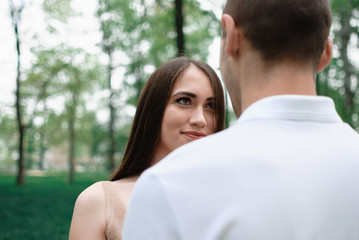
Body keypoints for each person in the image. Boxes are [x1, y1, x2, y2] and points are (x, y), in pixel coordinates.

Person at [122, 0, 359, 239]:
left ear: (232, 34)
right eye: (184, 101)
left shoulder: (169, 184)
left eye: (210, 105)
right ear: (326, 52)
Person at [68, 56, 225, 240]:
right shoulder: (99, 201)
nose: (201, 119)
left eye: (210, 105)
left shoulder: (228, 199)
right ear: (154, 109)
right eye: (184, 101)